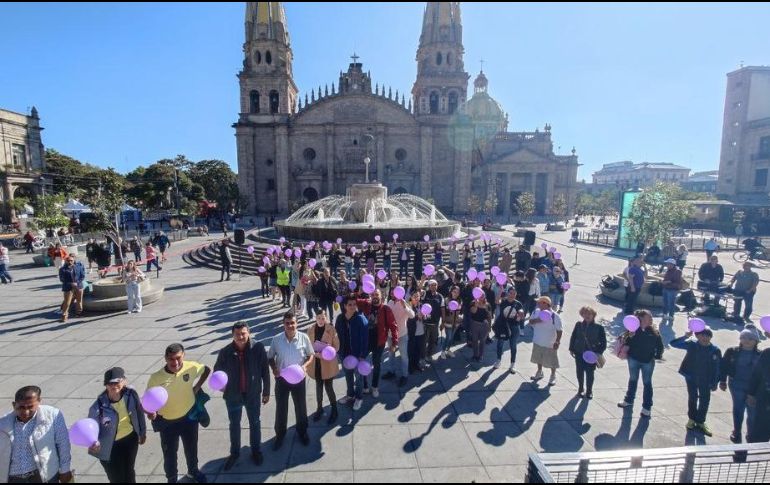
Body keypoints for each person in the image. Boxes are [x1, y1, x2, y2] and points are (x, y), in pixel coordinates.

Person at [146, 343, 211, 484]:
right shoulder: (156, 378)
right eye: (171, 359)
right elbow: (147, 401)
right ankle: (172, 479)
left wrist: (197, 386)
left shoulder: (191, 367)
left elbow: (206, 369)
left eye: (178, 358)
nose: (175, 362)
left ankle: (193, 471)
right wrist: (151, 413)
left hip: (189, 417)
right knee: (170, 454)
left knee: (191, 447)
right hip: (167, 423)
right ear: (165, 359)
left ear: (184, 356)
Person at [214, 322, 270, 470]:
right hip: (233, 396)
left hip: (252, 394)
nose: (241, 337)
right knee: (234, 425)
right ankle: (234, 453)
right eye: (237, 334)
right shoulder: (225, 352)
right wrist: (220, 385)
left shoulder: (258, 348)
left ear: (249, 333)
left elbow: (265, 370)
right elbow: (217, 371)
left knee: (255, 423)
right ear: (232, 335)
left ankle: (256, 451)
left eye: (243, 333)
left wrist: (266, 391)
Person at [0, 386, 74, 484]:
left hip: (44, 475)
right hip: (14, 478)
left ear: (39, 401)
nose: (26, 412)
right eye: (21, 407)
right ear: (14, 405)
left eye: (30, 407)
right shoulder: (3, 424)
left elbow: (63, 443)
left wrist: (65, 469)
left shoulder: (53, 415)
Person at [87, 368, 147, 483]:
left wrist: (142, 432)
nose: (114, 385)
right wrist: (92, 443)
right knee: (116, 478)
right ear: (106, 385)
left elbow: (139, 413)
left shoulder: (131, 394)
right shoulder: (97, 406)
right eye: (110, 383)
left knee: (129, 472)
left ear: (124, 381)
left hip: (130, 440)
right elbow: (91, 429)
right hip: (110, 446)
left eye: (117, 382)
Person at [268, 312, 314, 451]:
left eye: (292, 322)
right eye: (287, 323)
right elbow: (270, 357)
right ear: (283, 324)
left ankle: (302, 432)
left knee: (301, 407)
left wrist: (305, 366)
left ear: (297, 323)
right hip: (282, 379)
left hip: (298, 379)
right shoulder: (276, 339)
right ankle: (280, 435)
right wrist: (274, 367)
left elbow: (310, 355)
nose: (290, 325)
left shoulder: (304, 338)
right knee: (281, 408)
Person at [670, 327, 722, 437]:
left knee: (704, 400)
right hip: (691, 377)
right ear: (697, 336)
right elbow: (673, 344)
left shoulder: (715, 350)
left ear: (711, 337)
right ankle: (692, 419)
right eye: (702, 335)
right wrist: (686, 336)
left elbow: (717, 368)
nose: (704, 338)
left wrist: (715, 382)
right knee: (692, 397)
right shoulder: (691, 344)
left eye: (707, 335)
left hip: (706, 380)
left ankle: (701, 421)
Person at [618, 309, 665, 418]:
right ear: (641, 319)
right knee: (633, 379)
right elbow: (625, 343)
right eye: (649, 317)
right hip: (633, 359)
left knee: (647, 383)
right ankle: (628, 400)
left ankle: (647, 407)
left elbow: (660, 346)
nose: (652, 319)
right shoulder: (633, 330)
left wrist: (657, 356)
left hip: (647, 362)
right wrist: (629, 335)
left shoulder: (654, 332)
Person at [719, 328, 761, 443]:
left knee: (752, 412)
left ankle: (750, 433)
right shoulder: (732, 351)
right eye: (744, 337)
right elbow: (724, 366)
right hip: (736, 385)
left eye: (750, 338)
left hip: (753, 388)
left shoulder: (761, 355)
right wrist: (722, 381)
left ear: (756, 341)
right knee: (738, 408)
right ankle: (737, 431)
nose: (746, 340)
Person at [357, 289, 398, 397]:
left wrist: (394, 343)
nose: (375, 296)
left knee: (377, 365)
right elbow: (354, 300)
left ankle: (375, 387)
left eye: (377, 294)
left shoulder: (386, 309)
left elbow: (393, 326)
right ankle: (365, 386)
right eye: (373, 294)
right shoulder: (367, 305)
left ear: (381, 296)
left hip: (379, 342)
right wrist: (359, 293)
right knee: (361, 363)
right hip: (365, 341)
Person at [306, 310, 340, 424]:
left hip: (327, 363)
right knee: (318, 387)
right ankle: (319, 408)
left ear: (326, 318)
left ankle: (334, 410)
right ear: (316, 318)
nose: (321, 320)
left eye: (323, 318)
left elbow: (337, 346)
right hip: (316, 363)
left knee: (329, 387)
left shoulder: (331, 329)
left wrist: (328, 352)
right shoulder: (311, 329)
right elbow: (307, 347)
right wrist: (315, 353)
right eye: (318, 318)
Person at [336, 296, 369, 411]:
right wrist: (338, 352)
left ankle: (359, 398)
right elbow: (337, 337)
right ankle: (350, 395)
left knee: (358, 378)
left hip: (357, 355)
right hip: (345, 354)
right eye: (350, 305)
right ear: (344, 306)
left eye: (354, 304)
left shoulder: (361, 319)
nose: (352, 307)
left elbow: (365, 340)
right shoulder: (340, 318)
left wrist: (362, 356)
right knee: (348, 376)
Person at [568, 306, 607, 399]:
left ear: (594, 315)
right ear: (582, 315)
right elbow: (573, 337)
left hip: (591, 355)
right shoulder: (578, 325)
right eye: (585, 313)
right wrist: (571, 348)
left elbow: (604, 343)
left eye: (589, 314)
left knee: (590, 373)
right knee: (579, 372)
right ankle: (581, 389)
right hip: (579, 352)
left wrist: (598, 352)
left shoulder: (599, 327)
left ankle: (589, 391)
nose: (587, 315)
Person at [528, 296, 563, 386]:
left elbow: (559, 330)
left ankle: (553, 376)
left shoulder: (555, 316)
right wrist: (538, 320)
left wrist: (557, 341)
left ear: (545, 304)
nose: (537, 304)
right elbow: (530, 322)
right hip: (538, 340)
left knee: (552, 361)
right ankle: (539, 372)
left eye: (539, 302)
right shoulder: (536, 312)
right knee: (538, 358)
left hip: (550, 343)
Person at [387, 291, 415, 387]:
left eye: (394, 293)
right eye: (391, 293)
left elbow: (412, 315)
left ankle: (404, 375)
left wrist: (404, 306)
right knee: (391, 354)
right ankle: (391, 371)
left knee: (404, 356)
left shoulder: (404, 302)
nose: (393, 295)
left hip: (402, 334)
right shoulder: (390, 303)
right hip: (390, 335)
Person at [494, 287, 525, 373]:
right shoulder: (503, 301)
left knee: (513, 345)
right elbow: (497, 301)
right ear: (507, 293)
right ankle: (498, 360)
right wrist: (500, 292)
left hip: (514, 327)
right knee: (500, 344)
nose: (512, 295)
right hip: (503, 326)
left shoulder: (518, 304)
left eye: (514, 293)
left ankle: (512, 364)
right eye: (510, 293)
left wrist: (521, 315)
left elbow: (521, 317)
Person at [421, 279, 444, 363]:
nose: (434, 286)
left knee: (433, 340)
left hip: (435, 322)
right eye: (432, 285)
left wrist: (443, 322)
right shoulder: (425, 294)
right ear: (429, 286)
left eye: (435, 285)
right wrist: (423, 279)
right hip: (425, 322)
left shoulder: (440, 296)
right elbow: (419, 290)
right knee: (424, 341)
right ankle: (422, 357)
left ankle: (429, 355)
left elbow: (443, 309)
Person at [58, 254, 86, 322]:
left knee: (79, 301)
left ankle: (79, 313)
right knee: (67, 302)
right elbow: (62, 279)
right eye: (68, 260)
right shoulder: (62, 269)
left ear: (74, 260)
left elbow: (82, 276)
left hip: (78, 286)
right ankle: (64, 316)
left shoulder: (79, 267)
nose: (70, 262)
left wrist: (77, 283)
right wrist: (71, 283)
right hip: (68, 287)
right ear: (65, 261)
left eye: (71, 260)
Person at [440, 286, 463, 360]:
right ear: (451, 291)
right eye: (454, 292)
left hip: (456, 323)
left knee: (452, 337)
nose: (456, 294)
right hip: (448, 322)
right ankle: (443, 351)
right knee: (448, 337)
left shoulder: (460, 300)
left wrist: (458, 315)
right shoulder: (446, 300)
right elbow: (443, 312)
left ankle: (448, 350)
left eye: (458, 292)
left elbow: (459, 311)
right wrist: (443, 322)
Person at [468, 294, 492, 364]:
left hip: (484, 325)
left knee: (482, 341)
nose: (481, 297)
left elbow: (489, 317)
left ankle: (481, 356)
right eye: (480, 295)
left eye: (483, 295)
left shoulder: (488, 305)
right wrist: (476, 304)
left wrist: (489, 327)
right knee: (474, 340)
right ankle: (475, 355)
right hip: (474, 324)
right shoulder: (473, 302)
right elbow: (473, 312)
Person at [660, 258, 683, 324]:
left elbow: (677, 282)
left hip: (672, 290)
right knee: (665, 303)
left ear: (672, 264)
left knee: (671, 303)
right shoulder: (668, 270)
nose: (667, 265)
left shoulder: (677, 271)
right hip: (666, 288)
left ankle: (671, 315)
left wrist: (667, 282)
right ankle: (665, 314)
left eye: (668, 264)